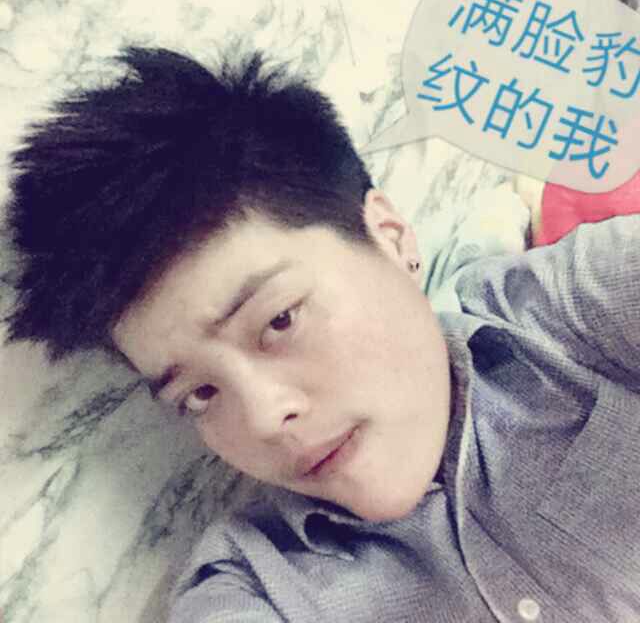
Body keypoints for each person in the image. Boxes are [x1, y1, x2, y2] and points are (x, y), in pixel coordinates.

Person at [3, 47, 640, 623]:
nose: (264, 418)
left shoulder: (569, 316)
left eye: (279, 320)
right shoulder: (258, 589)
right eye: (200, 393)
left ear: (389, 237)